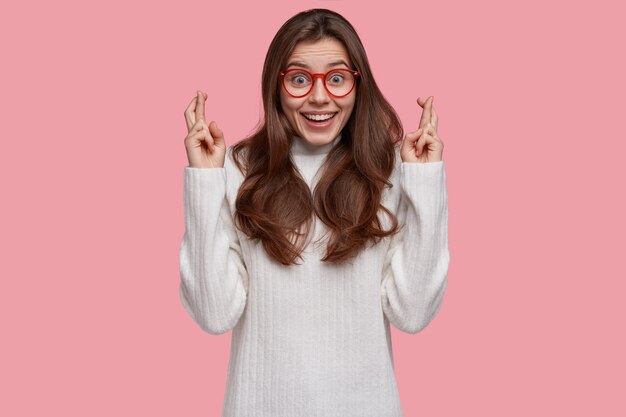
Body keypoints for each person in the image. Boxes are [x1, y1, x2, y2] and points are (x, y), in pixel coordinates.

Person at [178, 8, 450, 417]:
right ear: (277, 87)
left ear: (358, 86)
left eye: (337, 78)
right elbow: (215, 314)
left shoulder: (390, 172)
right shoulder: (236, 169)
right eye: (300, 79)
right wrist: (204, 180)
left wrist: (426, 180)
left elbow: (412, 314)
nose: (319, 97)